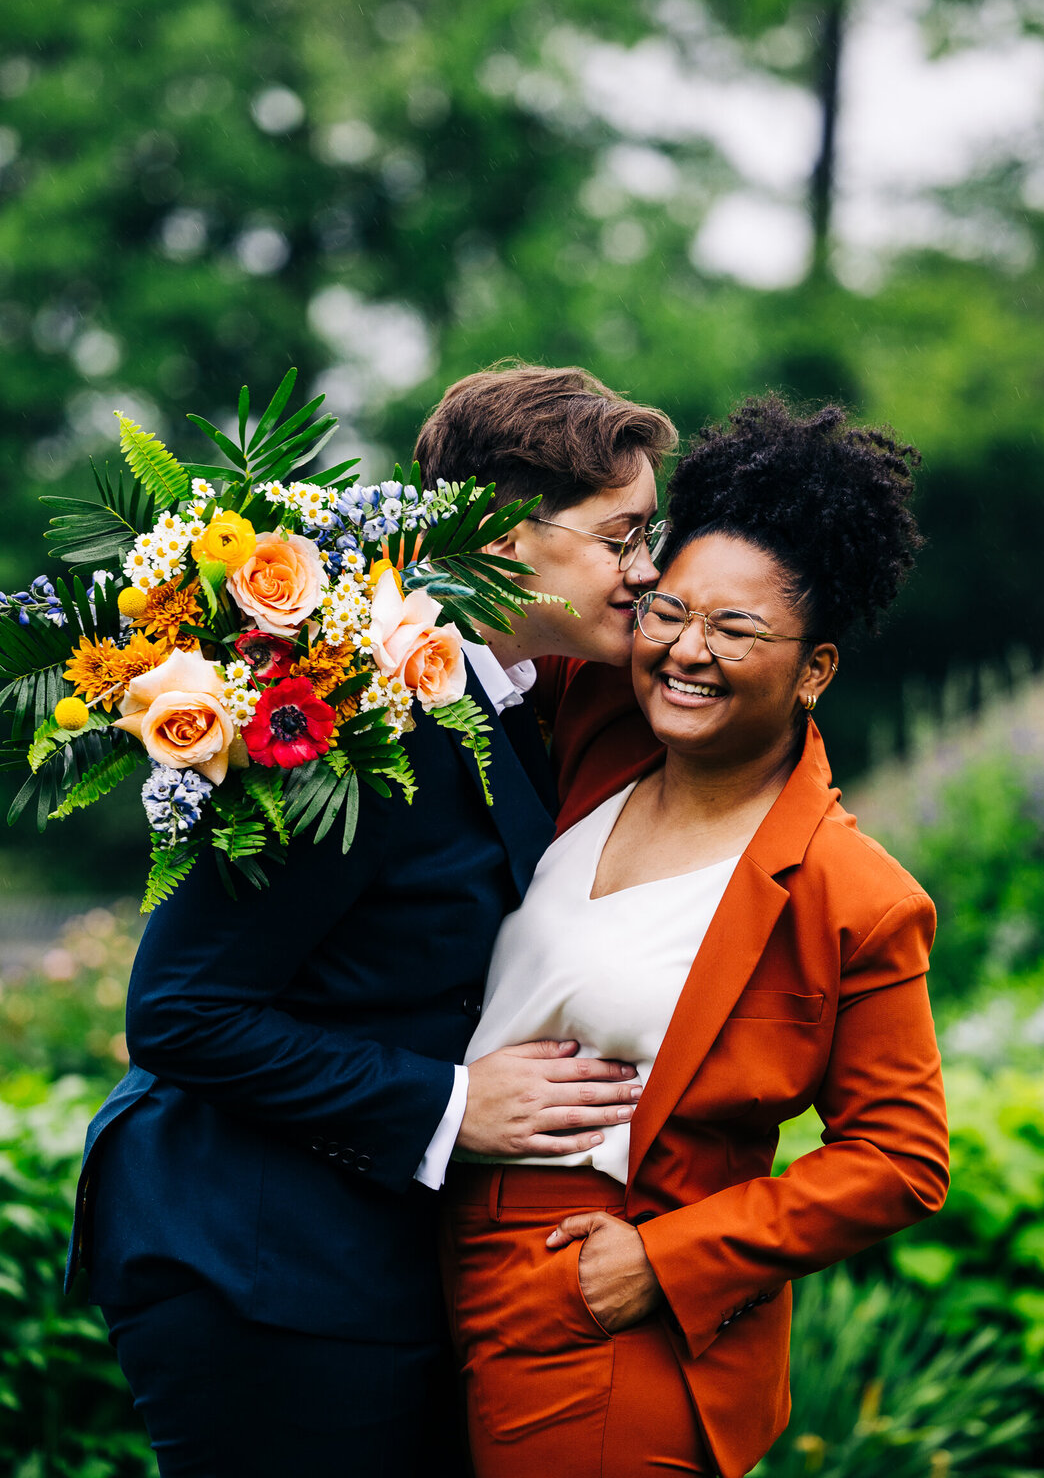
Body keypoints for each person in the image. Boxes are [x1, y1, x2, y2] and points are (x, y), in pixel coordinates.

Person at [66, 364, 677, 1478]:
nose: (646, 571)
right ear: (498, 535)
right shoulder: (351, 717)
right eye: (621, 537)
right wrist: (451, 1101)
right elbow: (181, 1010)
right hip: (246, 1260)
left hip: (351, 1255)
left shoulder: (491, 707)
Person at [442, 396, 951, 1478]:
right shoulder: (596, 725)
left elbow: (901, 1159)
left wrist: (667, 1260)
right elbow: (526, 576)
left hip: (596, 1306)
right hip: (425, 1257)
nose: (686, 651)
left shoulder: (850, 891)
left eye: (736, 631)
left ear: (813, 671)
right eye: (670, 611)